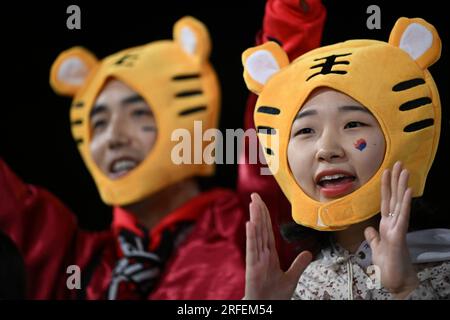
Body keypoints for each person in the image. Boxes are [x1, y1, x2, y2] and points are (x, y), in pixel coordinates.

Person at [0, 16, 246, 299]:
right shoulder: (72, 264)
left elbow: (285, 96)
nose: (114, 138)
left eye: (139, 113)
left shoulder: (252, 227)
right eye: (99, 123)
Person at [241, 17, 450, 299]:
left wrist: (407, 289)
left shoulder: (442, 267)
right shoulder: (297, 284)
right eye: (305, 130)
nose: (327, 149)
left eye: (352, 124)